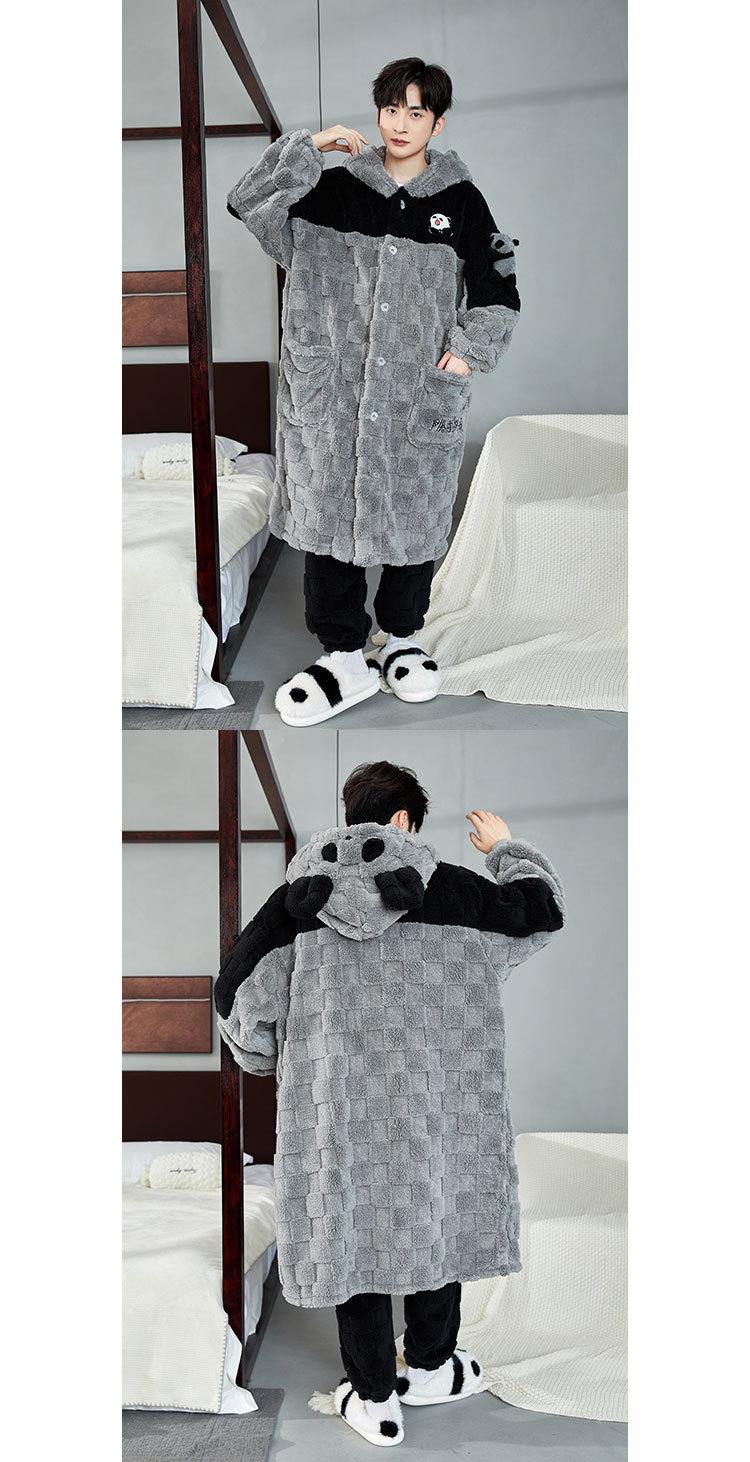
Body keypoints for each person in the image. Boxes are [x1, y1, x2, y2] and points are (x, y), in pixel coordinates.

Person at [215, 762, 564, 1447]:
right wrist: (504, 849)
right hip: (439, 1109)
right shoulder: (453, 891)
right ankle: (431, 1367)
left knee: (348, 1234)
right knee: (438, 1217)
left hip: (335, 1114)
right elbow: (540, 913)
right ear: (405, 820)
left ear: (353, 814)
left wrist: (270, 1057)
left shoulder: (295, 902)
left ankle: (374, 1397)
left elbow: (235, 995)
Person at [227, 58, 520, 725]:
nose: (400, 124)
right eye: (391, 110)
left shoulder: (461, 202)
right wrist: (310, 147)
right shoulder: (331, 189)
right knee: (327, 518)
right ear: (379, 113)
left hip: (417, 394)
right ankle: (341, 651)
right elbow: (249, 202)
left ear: (437, 123)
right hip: (330, 393)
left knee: (413, 518)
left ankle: (402, 638)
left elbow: (499, 285)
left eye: (416, 112)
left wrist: (465, 355)